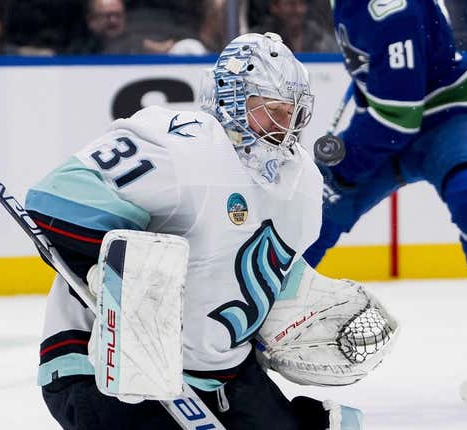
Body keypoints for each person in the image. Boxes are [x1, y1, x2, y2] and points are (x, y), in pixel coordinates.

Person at [27, 32, 370, 429]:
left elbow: (261, 276)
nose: (283, 125)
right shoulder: (182, 144)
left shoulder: (303, 182)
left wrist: (305, 312)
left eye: (291, 111)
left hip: (223, 377)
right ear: (229, 102)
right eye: (268, 109)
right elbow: (56, 205)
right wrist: (122, 275)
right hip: (101, 372)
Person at [304, 0, 467, 385]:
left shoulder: (394, 8)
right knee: (311, 220)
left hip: (447, 116)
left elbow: (397, 118)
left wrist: (343, 166)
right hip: (385, 120)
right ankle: (256, 330)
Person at [251, 0, 338, 53]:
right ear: (275, 7)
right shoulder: (258, 41)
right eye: (290, 4)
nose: (298, 10)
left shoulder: (320, 37)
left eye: (301, 3)